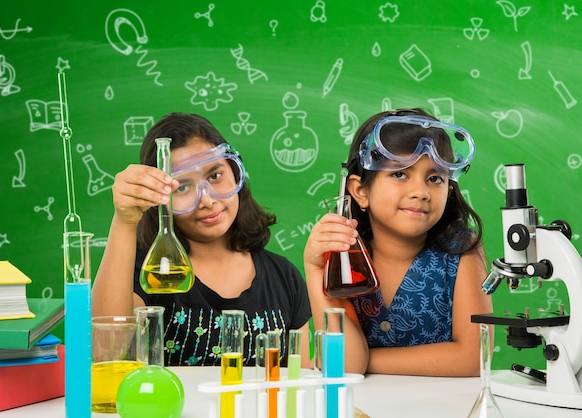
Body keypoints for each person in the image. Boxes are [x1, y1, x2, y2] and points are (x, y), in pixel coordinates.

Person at [92, 112, 311, 367]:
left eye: (215, 176)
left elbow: (303, 379)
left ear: (235, 171)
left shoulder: (284, 276)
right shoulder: (152, 276)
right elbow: (105, 353)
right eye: (182, 187)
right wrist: (124, 220)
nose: (207, 200)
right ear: (159, 200)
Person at [303, 108, 492, 376]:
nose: (420, 192)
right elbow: (345, 365)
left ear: (449, 189)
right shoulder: (344, 258)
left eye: (435, 178)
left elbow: (474, 358)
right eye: (400, 174)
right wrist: (314, 269)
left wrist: (368, 361)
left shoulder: (462, 250)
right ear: (360, 191)